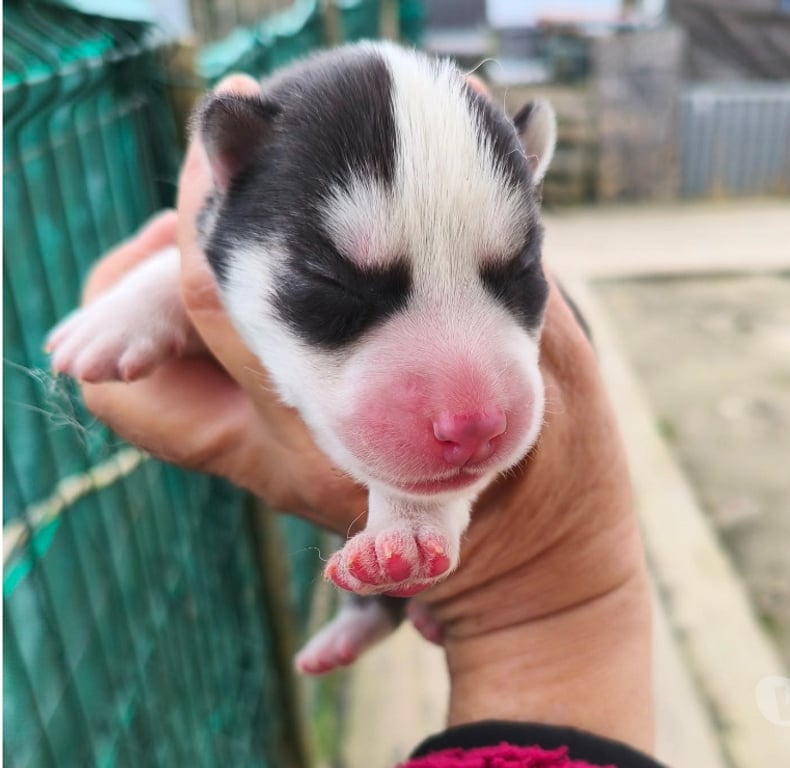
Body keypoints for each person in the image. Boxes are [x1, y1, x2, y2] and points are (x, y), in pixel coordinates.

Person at [76, 75, 661, 767]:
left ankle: (381, 604)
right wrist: (158, 297)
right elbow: (205, 258)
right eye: (339, 288)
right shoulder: (244, 216)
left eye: (513, 270)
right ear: (231, 161)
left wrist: (463, 539)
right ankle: (376, 609)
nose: (470, 413)